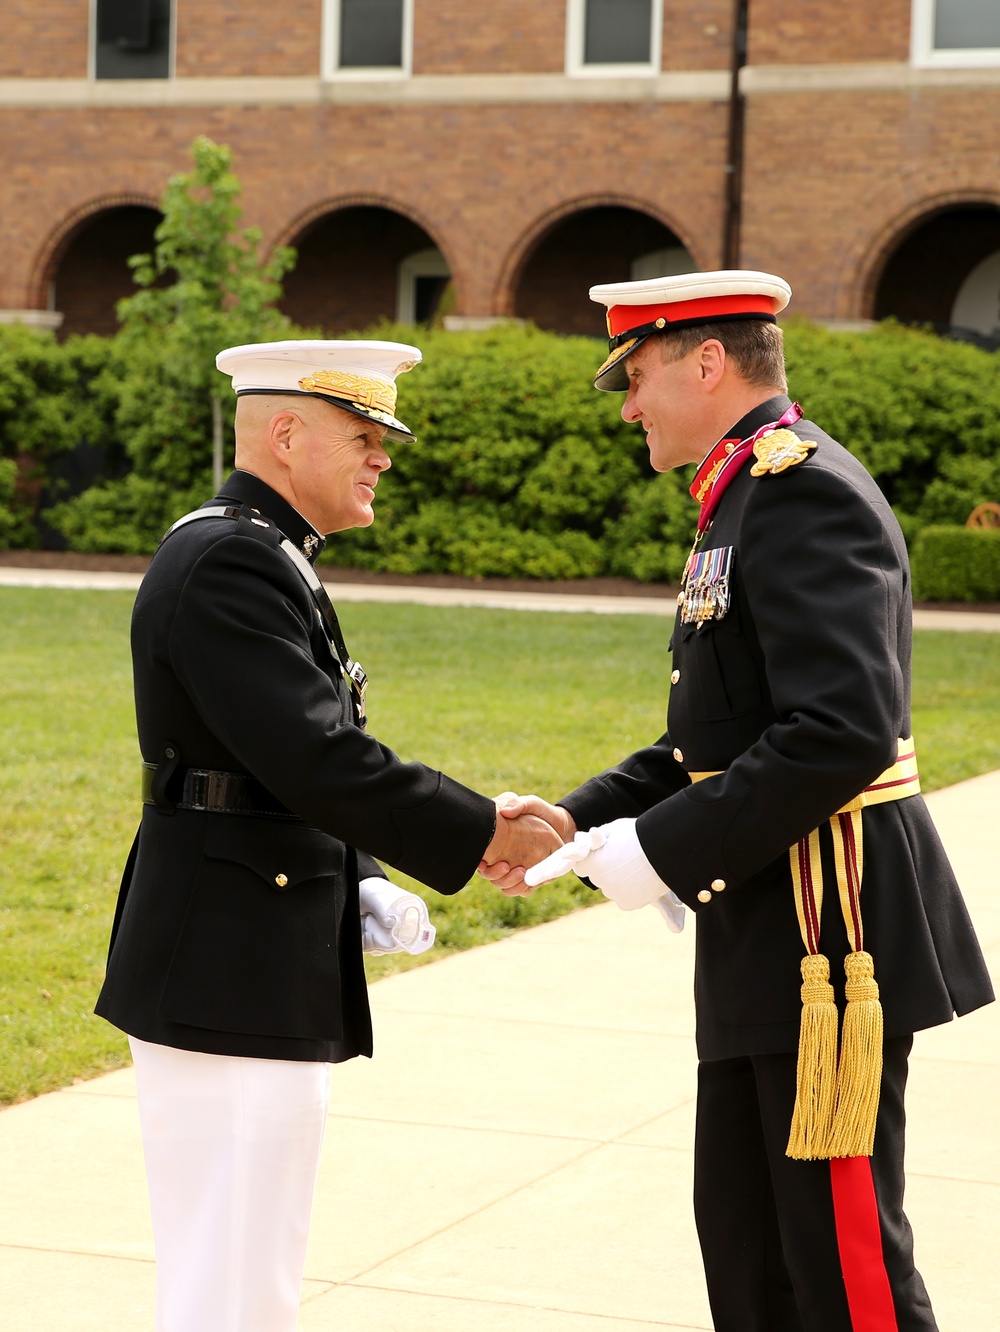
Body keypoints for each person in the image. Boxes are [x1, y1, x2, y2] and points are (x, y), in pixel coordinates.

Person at [484, 272, 995, 1332]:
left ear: (705, 361)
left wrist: (657, 853)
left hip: (826, 929)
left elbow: (842, 729)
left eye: (635, 376)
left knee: (839, 1259)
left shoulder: (798, 487)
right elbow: (714, 741)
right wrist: (579, 819)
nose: (628, 405)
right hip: (771, 922)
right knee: (751, 1240)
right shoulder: (741, 495)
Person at [95, 338, 559, 1332]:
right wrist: (482, 827)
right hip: (228, 952)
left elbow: (287, 754)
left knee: (248, 1250)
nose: (383, 456)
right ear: (285, 435)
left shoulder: (261, 554)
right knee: (234, 1264)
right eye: (363, 435)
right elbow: (313, 756)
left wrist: (363, 874)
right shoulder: (230, 560)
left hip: (247, 939)